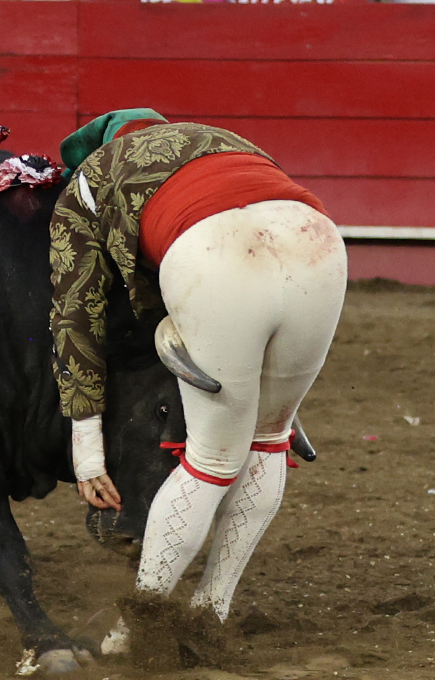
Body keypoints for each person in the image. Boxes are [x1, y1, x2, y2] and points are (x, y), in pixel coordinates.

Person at [49, 109, 347, 640]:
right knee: (268, 438)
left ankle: (136, 629)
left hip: (213, 253)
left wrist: (87, 448)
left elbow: (76, 315)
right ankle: (213, 608)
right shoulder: (224, 138)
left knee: (211, 460)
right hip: (314, 239)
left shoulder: (86, 182)